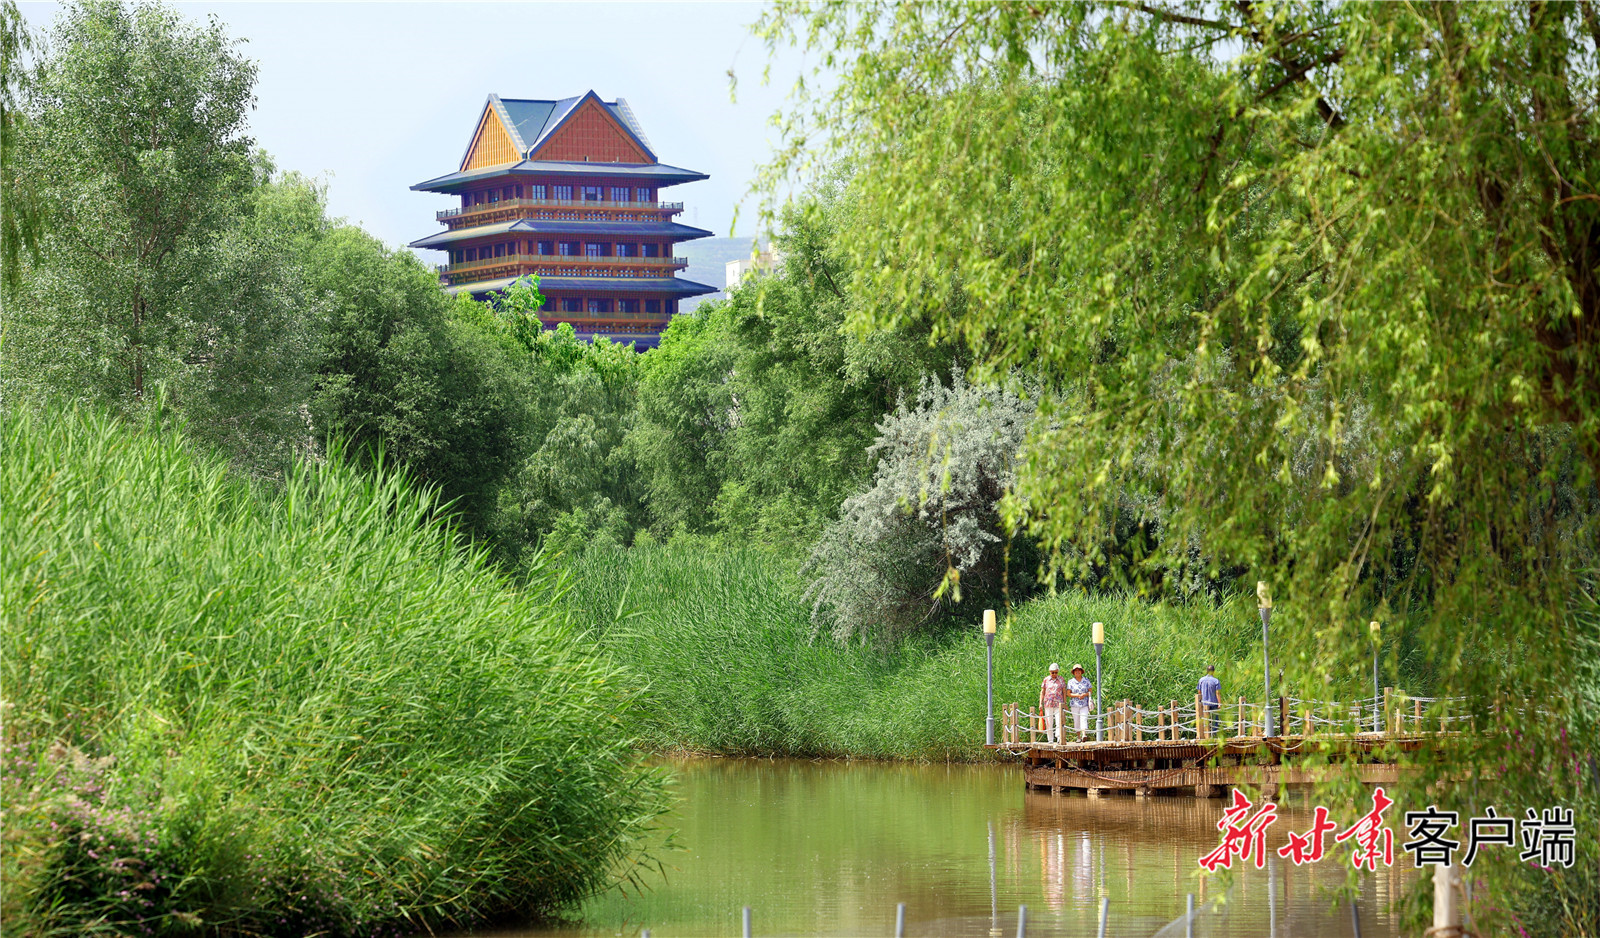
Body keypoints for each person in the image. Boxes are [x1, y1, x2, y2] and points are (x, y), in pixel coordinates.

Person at [1039, 663, 1066, 744]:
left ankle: (1058, 737)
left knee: (1059, 721)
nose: (1054, 674)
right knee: (1049, 721)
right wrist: (1040, 703)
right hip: (1048, 703)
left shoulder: (1061, 679)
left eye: (1056, 672)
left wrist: (1065, 703)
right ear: (1049, 672)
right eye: (1052, 672)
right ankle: (1050, 739)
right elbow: (1042, 692)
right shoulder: (1046, 680)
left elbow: (1064, 692)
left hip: (1059, 703)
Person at [1066, 664, 1094, 741]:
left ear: (1081, 671)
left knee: (1084, 718)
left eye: (1079, 670)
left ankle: (1084, 734)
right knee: (1076, 720)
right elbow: (1068, 693)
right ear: (1073, 672)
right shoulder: (1071, 682)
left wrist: (1084, 694)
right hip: (1074, 704)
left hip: (1084, 704)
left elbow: (1090, 691)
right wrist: (1077, 695)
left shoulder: (1086, 680)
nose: (1077, 672)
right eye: (1076, 671)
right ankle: (1078, 737)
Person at [1198, 664, 1222, 736]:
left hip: (1204, 702)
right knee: (1214, 719)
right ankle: (1214, 734)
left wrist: (1200, 701)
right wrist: (1219, 703)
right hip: (1213, 702)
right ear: (1213, 671)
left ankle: (1206, 734)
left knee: (1205, 719)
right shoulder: (1216, 681)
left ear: (1207, 671)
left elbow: (1199, 692)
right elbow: (1217, 693)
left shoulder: (1201, 680)